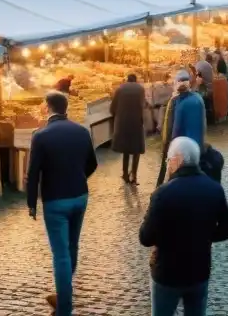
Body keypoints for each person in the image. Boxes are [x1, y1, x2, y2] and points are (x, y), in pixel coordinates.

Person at [139, 137, 228, 316]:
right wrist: (202, 235)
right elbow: (226, 230)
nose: (168, 164)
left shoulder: (162, 194)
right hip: (199, 270)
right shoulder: (214, 189)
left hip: (167, 273)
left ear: (179, 159)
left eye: (169, 160)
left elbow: (145, 237)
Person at [26, 91, 98, 316]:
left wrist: (31, 203)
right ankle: (63, 292)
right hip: (79, 196)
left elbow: (33, 173)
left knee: (60, 254)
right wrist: (78, 178)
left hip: (55, 200)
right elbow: (93, 164)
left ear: (48, 108)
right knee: (72, 247)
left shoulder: (41, 136)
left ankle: (64, 307)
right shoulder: (82, 131)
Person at [159, 70, 206, 184]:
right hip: (197, 146)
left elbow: (173, 128)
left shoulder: (177, 102)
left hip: (180, 148)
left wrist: (168, 146)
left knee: (175, 179)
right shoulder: (198, 98)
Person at [110, 73, 147, 185]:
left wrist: (117, 116)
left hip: (123, 123)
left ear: (127, 80)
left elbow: (112, 108)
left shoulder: (120, 89)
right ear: (135, 80)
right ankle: (134, 175)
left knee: (126, 149)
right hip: (136, 122)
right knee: (136, 150)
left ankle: (125, 174)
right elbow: (143, 105)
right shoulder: (140, 89)